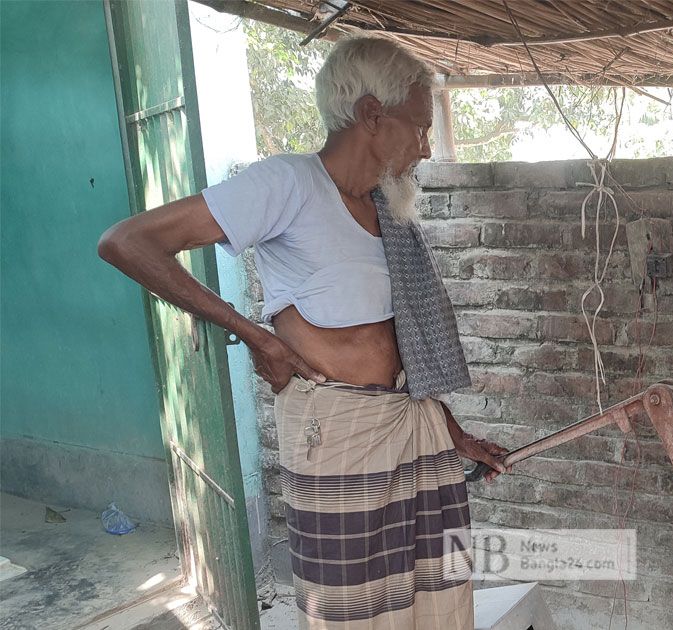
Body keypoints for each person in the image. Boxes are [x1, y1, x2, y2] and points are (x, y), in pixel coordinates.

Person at [98, 35, 507, 629]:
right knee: (351, 607)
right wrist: (254, 335)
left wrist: (456, 434)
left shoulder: (384, 207)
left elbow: (402, 346)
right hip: (337, 434)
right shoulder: (287, 184)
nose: (424, 146)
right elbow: (127, 242)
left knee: (435, 596)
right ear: (371, 114)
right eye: (419, 127)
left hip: (411, 428)